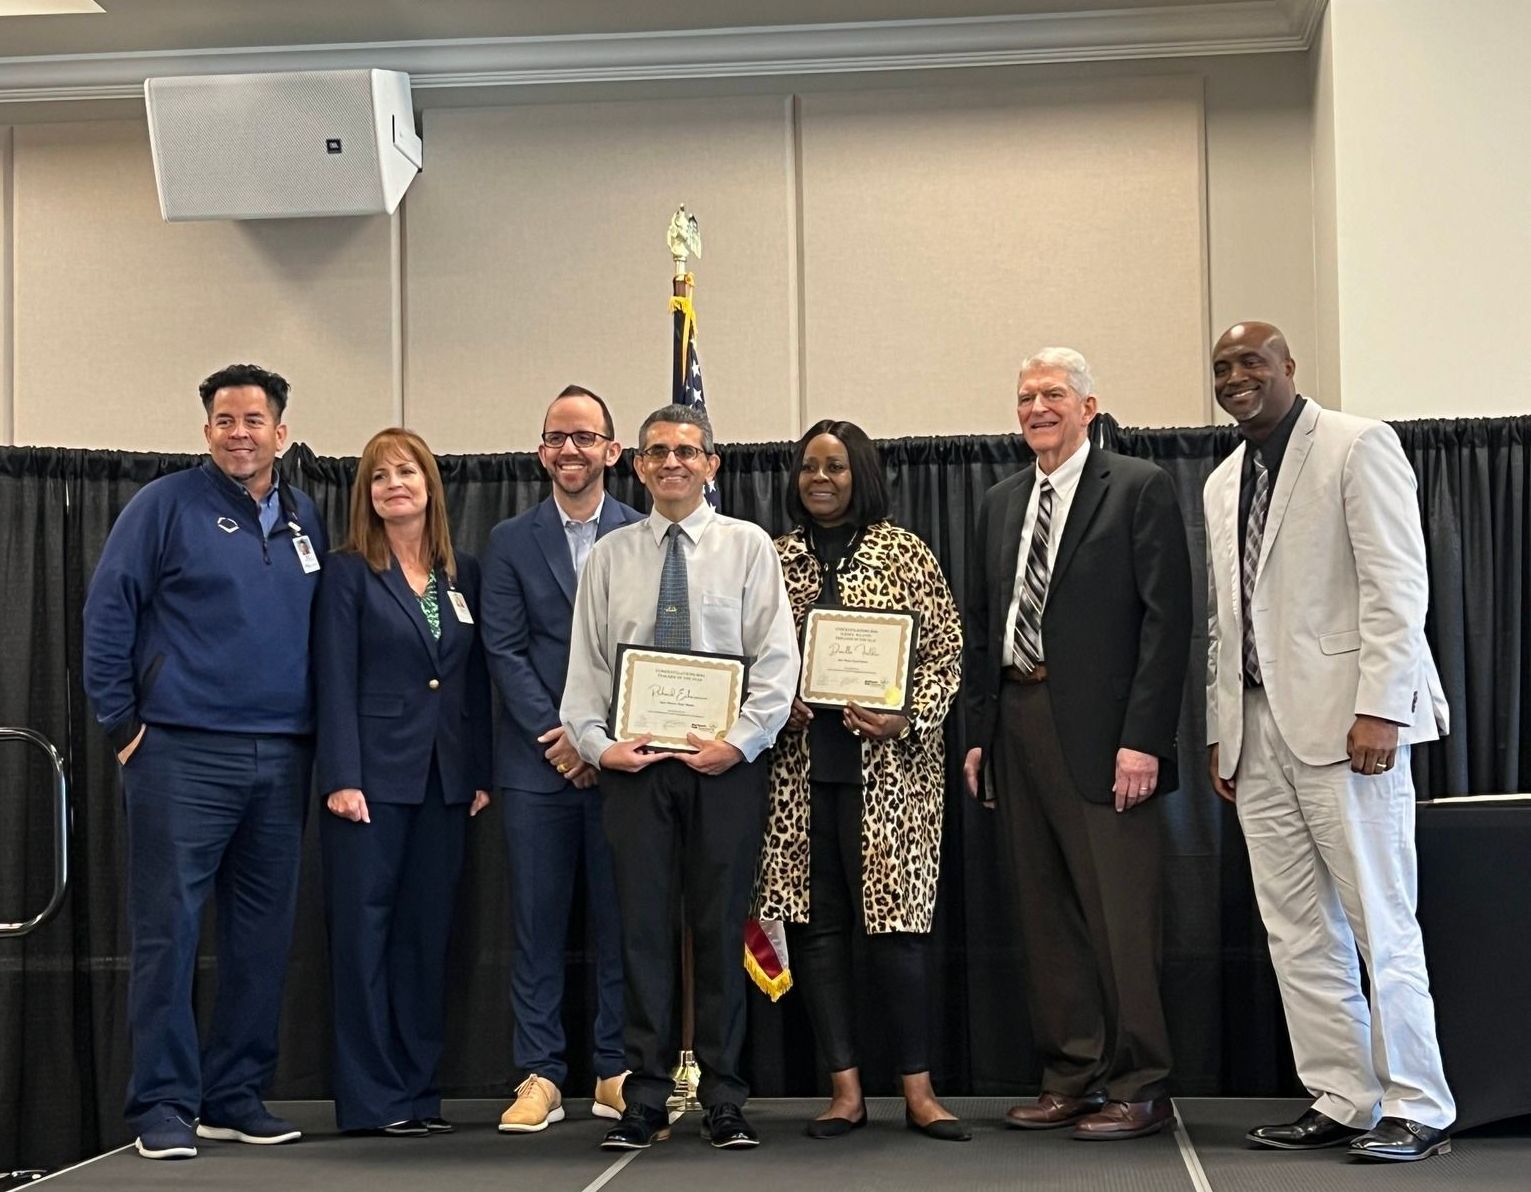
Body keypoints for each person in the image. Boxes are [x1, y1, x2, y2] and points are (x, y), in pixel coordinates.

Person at [1203, 321, 1454, 1162]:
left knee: (1378, 921)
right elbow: (1224, 621)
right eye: (1221, 367)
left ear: (1287, 367)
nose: (1235, 377)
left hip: (1349, 725)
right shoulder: (1221, 480)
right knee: (1294, 930)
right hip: (1255, 730)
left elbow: (1395, 583)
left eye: (1250, 362)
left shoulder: (1356, 444)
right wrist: (1220, 729)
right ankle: (1343, 1095)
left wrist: (1381, 707)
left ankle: (1417, 1103)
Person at [83, 364, 325, 1159]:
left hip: (281, 756)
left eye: (254, 419)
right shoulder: (163, 507)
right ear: (207, 431)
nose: (240, 432)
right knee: (169, 933)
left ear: (280, 432)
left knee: (261, 937)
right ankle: (161, 1104)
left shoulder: (306, 518)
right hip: (179, 754)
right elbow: (109, 608)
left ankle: (233, 1094)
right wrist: (124, 725)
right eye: (225, 420)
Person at [963, 347, 1192, 1140]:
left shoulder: (1137, 487)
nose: (1036, 407)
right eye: (1025, 395)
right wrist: (979, 734)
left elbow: (1166, 625)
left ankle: (1141, 1084)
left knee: (1120, 920)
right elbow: (983, 624)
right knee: (1044, 915)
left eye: (1052, 394)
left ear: (1089, 406)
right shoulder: (998, 503)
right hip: (1017, 727)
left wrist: (1143, 741)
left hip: (1105, 738)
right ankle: (1072, 1075)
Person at [561, 403, 798, 1151]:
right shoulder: (609, 556)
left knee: (720, 927)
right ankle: (645, 1096)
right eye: (657, 451)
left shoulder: (747, 548)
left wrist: (740, 742)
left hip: (723, 770)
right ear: (635, 465)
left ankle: (725, 1097)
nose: (672, 463)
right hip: (635, 771)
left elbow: (776, 662)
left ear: (711, 465)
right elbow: (586, 671)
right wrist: (599, 748)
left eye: (686, 451)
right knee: (641, 936)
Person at [753, 420, 968, 1141]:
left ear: (861, 475)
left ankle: (918, 1090)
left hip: (891, 778)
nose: (820, 478)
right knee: (816, 931)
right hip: (798, 777)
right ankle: (844, 1092)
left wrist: (904, 717)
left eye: (836, 467)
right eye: (809, 466)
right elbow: (751, 656)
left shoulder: (904, 553)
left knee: (897, 935)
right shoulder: (772, 559)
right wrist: (775, 703)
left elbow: (945, 654)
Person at [313, 427, 492, 1136]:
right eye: (379, 476)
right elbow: (332, 678)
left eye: (406, 472)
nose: (394, 484)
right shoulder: (348, 572)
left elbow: (470, 680)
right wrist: (341, 776)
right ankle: (370, 1101)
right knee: (364, 940)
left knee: (426, 938)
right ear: (368, 495)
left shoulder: (461, 574)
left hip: (445, 782)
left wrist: (475, 770)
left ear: (428, 486)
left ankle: (418, 1094)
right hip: (370, 784)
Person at [480, 386, 645, 1133]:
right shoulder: (510, 540)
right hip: (536, 765)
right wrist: (563, 737)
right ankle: (540, 1072)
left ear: (613, 451)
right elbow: (504, 650)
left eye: (585, 437)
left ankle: (612, 1067)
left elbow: (650, 655)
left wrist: (601, 743)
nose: (569, 450)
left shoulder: (645, 535)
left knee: (620, 922)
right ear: (541, 451)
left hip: (623, 764)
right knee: (537, 925)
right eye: (556, 437)